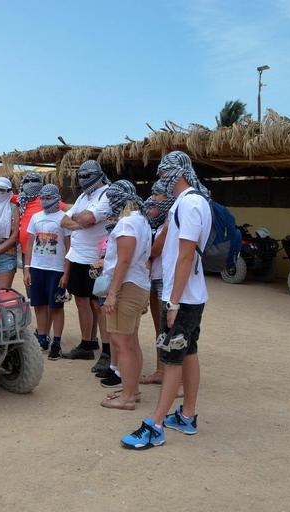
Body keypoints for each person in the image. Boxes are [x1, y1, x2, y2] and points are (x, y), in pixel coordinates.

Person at [121, 151, 212, 450]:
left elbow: (186, 255)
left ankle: (155, 426)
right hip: (187, 295)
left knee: (172, 358)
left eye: (163, 174)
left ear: (178, 173)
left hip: (182, 297)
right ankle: (187, 416)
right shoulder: (189, 202)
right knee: (188, 353)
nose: (161, 179)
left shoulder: (190, 203)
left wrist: (172, 302)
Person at [97, 181, 151, 409]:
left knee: (121, 343)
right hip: (137, 284)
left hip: (127, 286)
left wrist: (112, 293)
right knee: (131, 341)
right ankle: (132, 389)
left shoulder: (127, 224)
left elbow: (124, 261)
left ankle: (127, 397)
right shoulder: (141, 221)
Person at [59, 160, 113, 361]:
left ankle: (107, 351)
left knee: (98, 304)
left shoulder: (107, 194)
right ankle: (87, 344)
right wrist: (82, 222)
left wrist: (82, 219)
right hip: (77, 256)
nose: (83, 180)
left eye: (87, 175)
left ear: (98, 174)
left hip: (96, 259)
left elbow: (89, 217)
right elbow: (64, 220)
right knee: (82, 301)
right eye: (80, 175)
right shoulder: (84, 196)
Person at [23, 184, 71, 360]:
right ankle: (42, 337)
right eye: (42, 198)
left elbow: (68, 245)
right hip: (37, 267)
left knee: (56, 306)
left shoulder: (64, 218)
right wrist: (27, 269)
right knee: (39, 304)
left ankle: (56, 342)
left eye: (48, 198)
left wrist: (66, 272)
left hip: (56, 269)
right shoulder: (35, 217)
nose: (44, 201)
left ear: (57, 198)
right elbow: (29, 244)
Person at [138, 183, 177, 388]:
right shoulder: (158, 223)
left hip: (167, 280)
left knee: (171, 330)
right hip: (155, 278)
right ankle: (161, 372)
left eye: (157, 194)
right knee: (159, 328)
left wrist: (168, 226)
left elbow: (154, 251)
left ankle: (177, 381)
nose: (152, 198)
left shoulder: (173, 222)